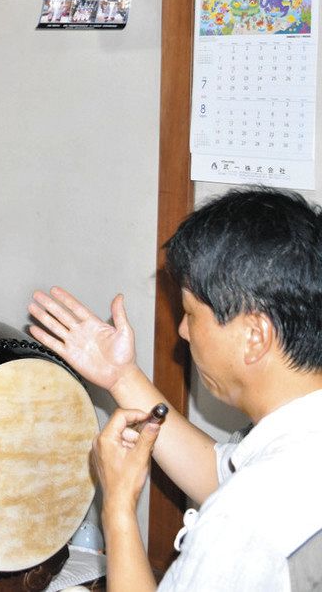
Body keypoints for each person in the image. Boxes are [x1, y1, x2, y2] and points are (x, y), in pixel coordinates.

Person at [28, 188, 322, 590]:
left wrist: (117, 504)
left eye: (189, 313)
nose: (183, 332)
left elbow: (242, 498)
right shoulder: (297, 447)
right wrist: (121, 376)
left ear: (255, 336)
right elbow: (221, 474)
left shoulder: (244, 521)